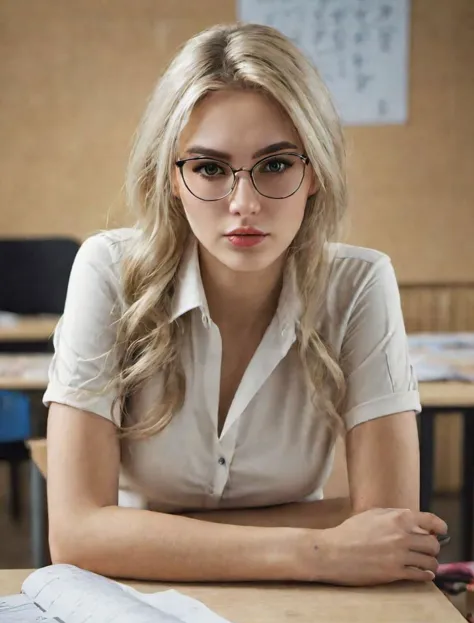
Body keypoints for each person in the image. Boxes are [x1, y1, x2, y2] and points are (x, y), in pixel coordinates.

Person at [44, 22, 446, 586]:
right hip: (135, 602)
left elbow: (386, 531)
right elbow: (76, 536)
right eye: (209, 168)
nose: (244, 203)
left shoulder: (359, 284)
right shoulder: (109, 270)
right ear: (171, 180)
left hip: (306, 606)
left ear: (315, 175)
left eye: (276, 164)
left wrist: (150, 532)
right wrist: (320, 548)